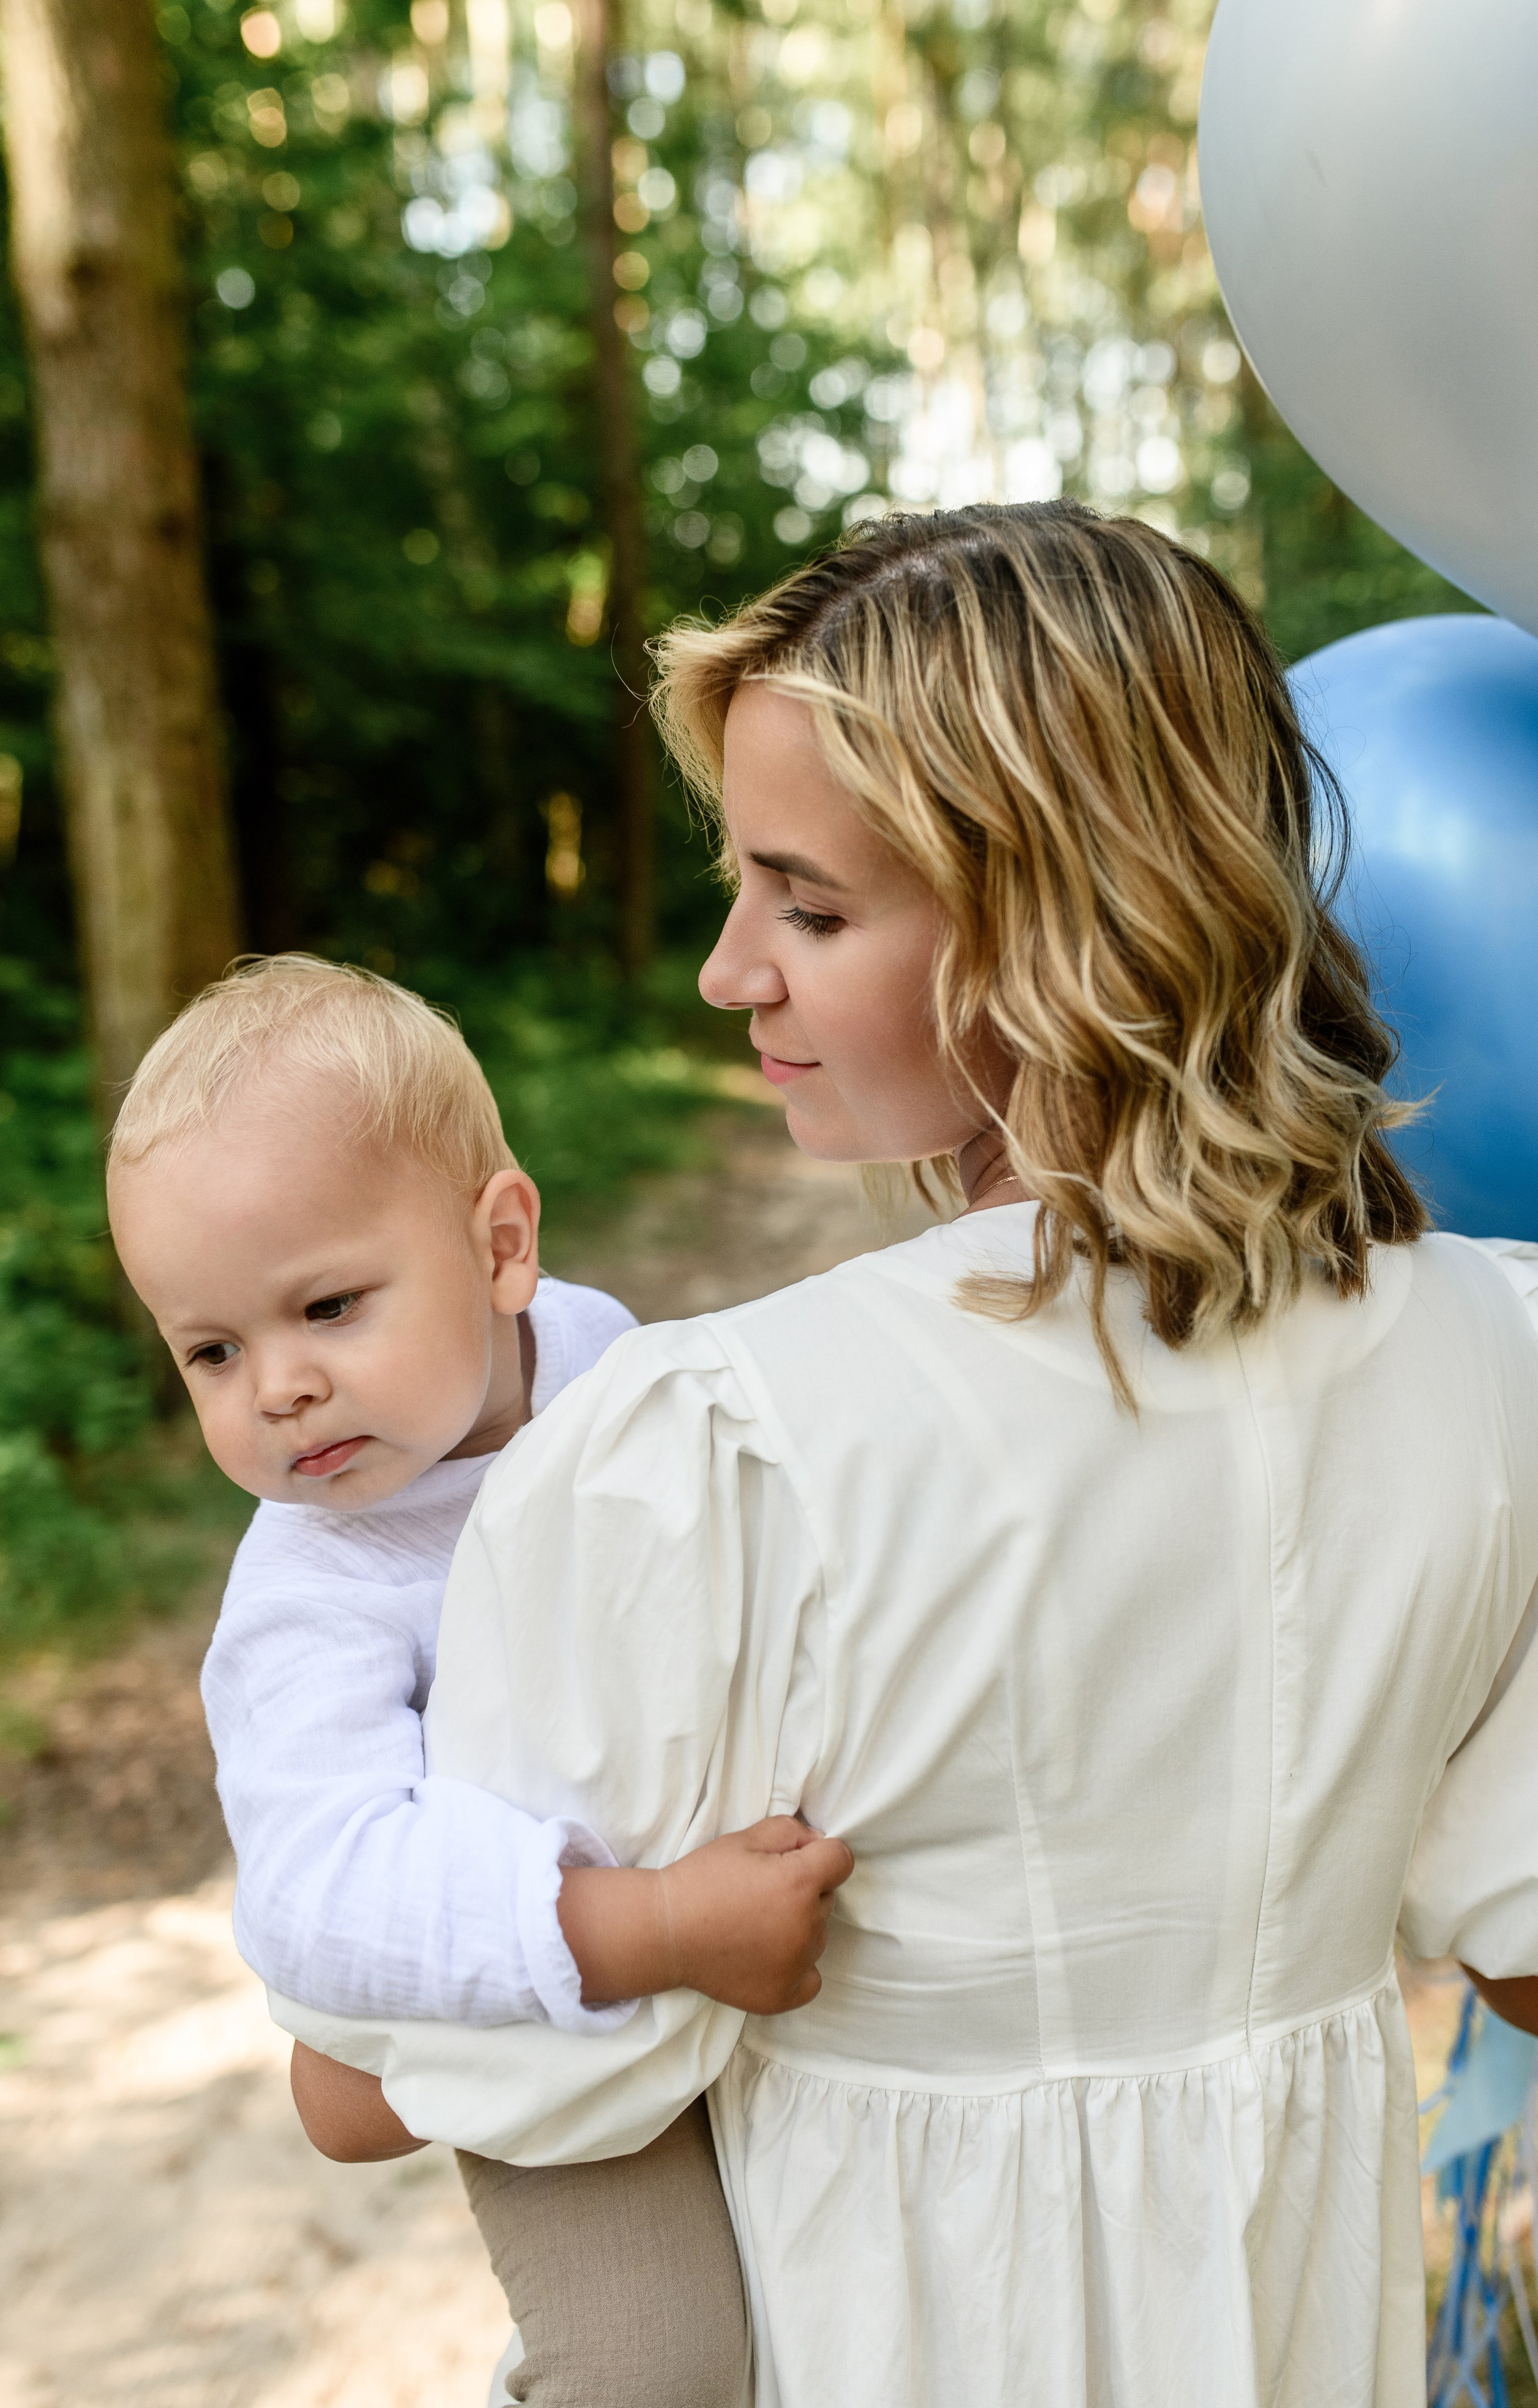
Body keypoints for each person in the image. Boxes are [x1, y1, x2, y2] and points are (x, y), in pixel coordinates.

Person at [284, 505, 1538, 2408]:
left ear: (1064, 924)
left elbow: (385, 2081)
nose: (728, 973)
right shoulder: (1493, 1356)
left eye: (809, 908)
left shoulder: (721, 1452)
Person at [106, 954, 854, 2408]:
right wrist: (648, 1927)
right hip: (553, 2008)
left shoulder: (607, 1367)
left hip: (733, 1936)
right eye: (212, 1350)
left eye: (328, 1305)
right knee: (654, 2366)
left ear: (501, 1246)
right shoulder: (315, 1591)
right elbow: (317, 1895)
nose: (276, 1386)